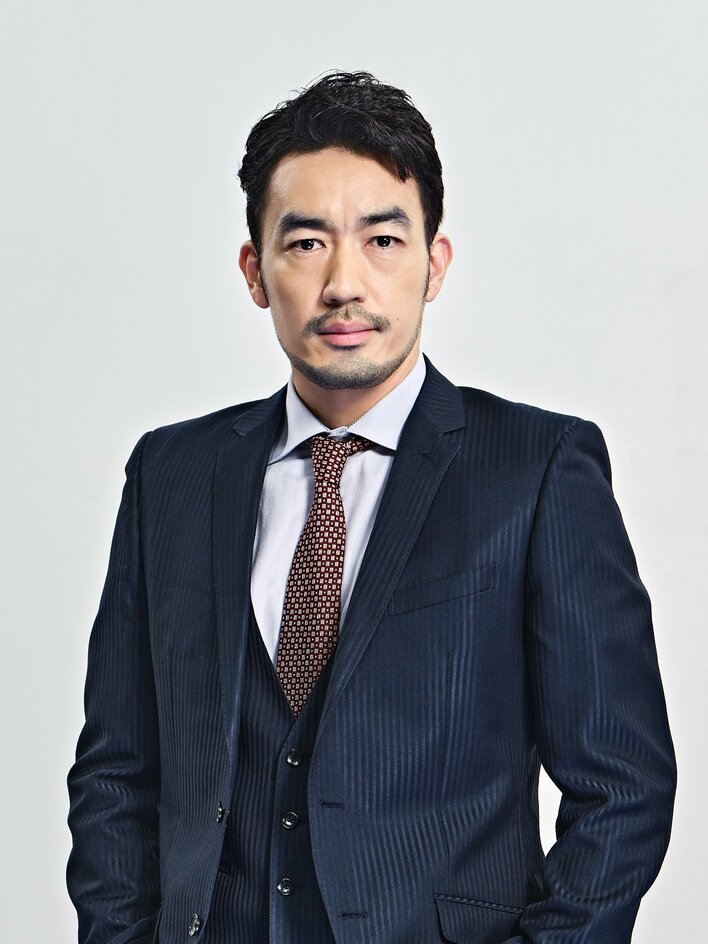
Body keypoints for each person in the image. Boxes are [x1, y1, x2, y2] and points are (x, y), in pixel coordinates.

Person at [66, 71, 676, 944]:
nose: (344, 283)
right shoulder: (171, 473)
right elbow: (116, 773)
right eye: (306, 243)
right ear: (255, 271)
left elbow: (622, 786)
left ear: (435, 264)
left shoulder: (539, 469)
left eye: (383, 240)